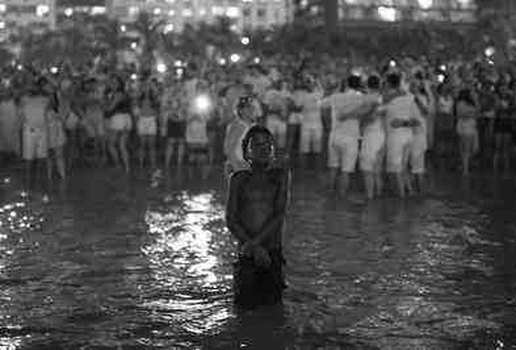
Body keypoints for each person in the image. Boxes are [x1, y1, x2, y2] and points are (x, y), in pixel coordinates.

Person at [225, 125, 291, 310]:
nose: (264, 148)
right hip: (247, 255)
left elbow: (279, 214)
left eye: (268, 144)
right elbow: (231, 219)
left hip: (271, 253)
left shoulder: (280, 176)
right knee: (243, 310)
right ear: (246, 151)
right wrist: (254, 248)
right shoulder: (238, 179)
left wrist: (256, 245)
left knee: (274, 311)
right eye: (257, 144)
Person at [223, 96, 257, 178]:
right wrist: (238, 168)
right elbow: (228, 149)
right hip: (239, 165)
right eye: (247, 107)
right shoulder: (237, 126)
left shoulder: (253, 125)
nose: (251, 110)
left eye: (251, 107)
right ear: (241, 111)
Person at [455, 88, 479, 176]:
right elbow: (460, 114)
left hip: (471, 126)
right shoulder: (461, 103)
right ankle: (465, 169)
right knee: (466, 149)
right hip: (465, 127)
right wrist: (471, 113)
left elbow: (478, 111)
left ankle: (464, 166)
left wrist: (476, 101)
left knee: (469, 149)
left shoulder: (472, 103)